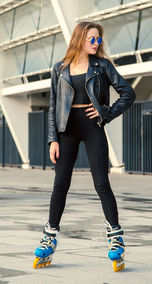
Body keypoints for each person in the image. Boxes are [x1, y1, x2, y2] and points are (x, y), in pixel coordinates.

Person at [33, 21, 136, 272]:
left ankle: (115, 239)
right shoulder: (60, 68)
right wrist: (52, 139)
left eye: (98, 39)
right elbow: (53, 107)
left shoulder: (102, 66)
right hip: (66, 130)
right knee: (60, 185)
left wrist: (106, 113)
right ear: (79, 38)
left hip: (92, 127)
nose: (96, 43)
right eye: (92, 38)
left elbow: (128, 93)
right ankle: (49, 237)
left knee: (101, 183)